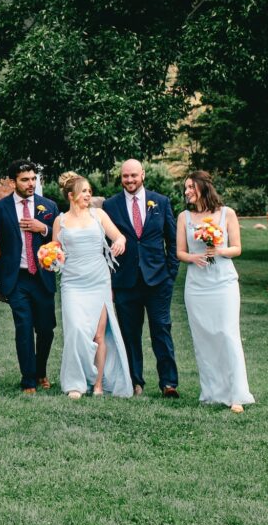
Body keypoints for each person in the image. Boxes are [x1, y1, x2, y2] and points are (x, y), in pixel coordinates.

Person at [176, 171, 254, 413]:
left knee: (227, 334)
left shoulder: (226, 213)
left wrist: (218, 249)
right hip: (197, 285)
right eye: (185, 187)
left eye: (190, 186)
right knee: (204, 338)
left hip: (223, 282)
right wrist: (194, 257)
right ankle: (212, 392)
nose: (187, 191)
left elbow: (238, 248)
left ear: (202, 187)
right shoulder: (184, 217)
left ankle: (236, 394)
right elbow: (180, 252)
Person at [52, 172, 132, 398]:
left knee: (99, 335)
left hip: (98, 280)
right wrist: (49, 258)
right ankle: (76, 384)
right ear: (71, 195)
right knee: (76, 330)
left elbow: (119, 237)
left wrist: (119, 243)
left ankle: (98, 384)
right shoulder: (61, 220)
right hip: (72, 282)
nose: (88, 195)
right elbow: (54, 250)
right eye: (84, 191)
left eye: (89, 191)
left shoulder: (99, 215)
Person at [104, 159, 180, 397]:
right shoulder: (110, 205)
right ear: (121, 177)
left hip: (158, 281)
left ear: (143, 175)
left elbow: (173, 240)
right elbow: (105, 245)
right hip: (125, 282)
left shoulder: (161, 202)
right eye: (125, 176)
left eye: (134, 176)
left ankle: (169, 383)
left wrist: (170, 274)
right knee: (130, 334)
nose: (129, 180)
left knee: (161, 331)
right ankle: (135, 382)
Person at [0, 160, 60, 393]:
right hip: (16, 278)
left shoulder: (49, 206)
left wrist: (44, 229)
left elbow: (59, 241)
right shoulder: (0, 209)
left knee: (46, 329)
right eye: (25, 180)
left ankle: (41, 372)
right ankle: (28, 379)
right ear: (13, 182)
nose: (30, 183)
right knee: (23, 326)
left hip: (42, 277)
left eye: (33, 179)